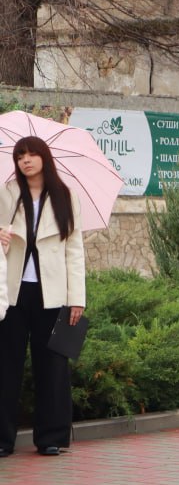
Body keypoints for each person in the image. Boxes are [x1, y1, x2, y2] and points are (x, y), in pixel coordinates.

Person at [0, 136, 85, 458]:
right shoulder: (7, 194)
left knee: (52, 366)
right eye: (20, 155)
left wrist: (77, 298)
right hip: (12, 292)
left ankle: (51, 437)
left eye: (32, 154)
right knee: (6, 365)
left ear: (44, 158)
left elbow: (74, 249)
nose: (26, 160)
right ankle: (3, 439)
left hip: (53, 293)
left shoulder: (65, 196)